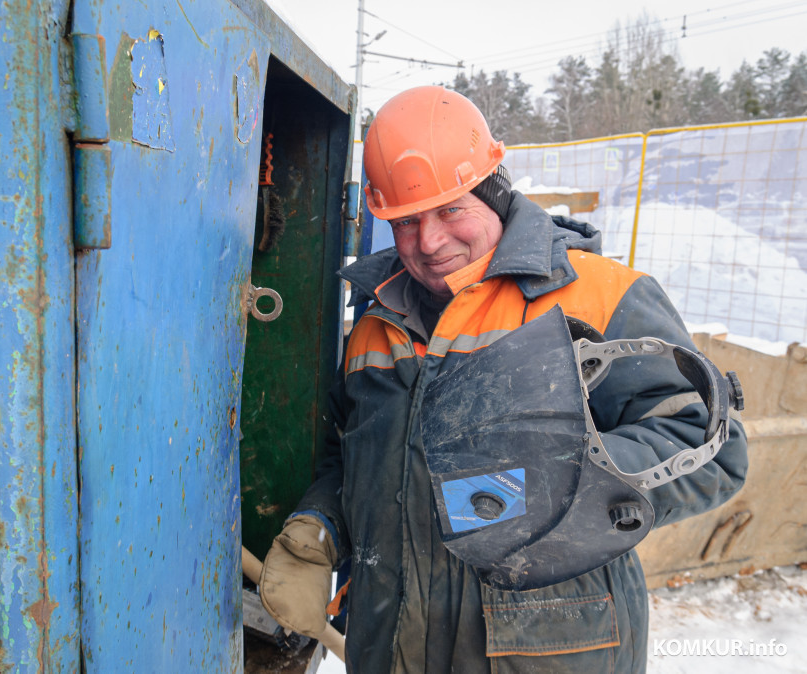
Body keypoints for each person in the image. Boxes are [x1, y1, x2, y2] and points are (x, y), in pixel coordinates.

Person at [258, 85, 747, 673]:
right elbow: (354, 459)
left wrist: (551, 485)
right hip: (393, 649)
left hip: (546, 653)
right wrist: (318, 528)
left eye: (451, 210)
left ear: (494, 191)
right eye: (407, 222)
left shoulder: (597, 299)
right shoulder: (376, 325)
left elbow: (710, 446)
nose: (430, 243)